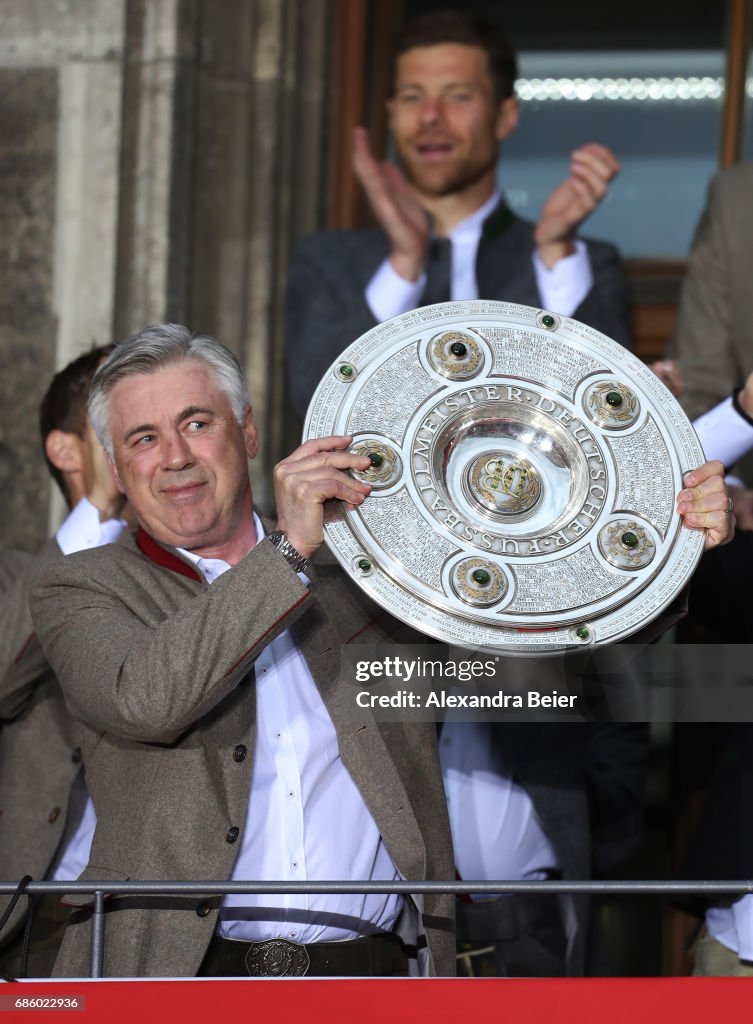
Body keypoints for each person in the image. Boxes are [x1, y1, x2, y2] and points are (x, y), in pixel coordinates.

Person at [30, 323, 455, 979]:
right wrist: (286, 554)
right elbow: (143, 701)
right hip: (173, 980)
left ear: (248, 433)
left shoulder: (371, 575)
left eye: (196, 423)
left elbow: (549, 676)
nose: (174, 456)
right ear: (116, 470)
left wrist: (659, 558)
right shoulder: (79, 586)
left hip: (371, 975)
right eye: (143, 439)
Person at [285, 9, 629, 420]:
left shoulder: (575, 260)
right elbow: (315, 409)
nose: (431, 116)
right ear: (392, 116)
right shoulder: (327, 261)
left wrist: (556, 250)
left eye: (457, 96)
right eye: (413, 96)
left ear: (505, 117)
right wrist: (403, 267)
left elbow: (611, 415)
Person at [0, 345, 128, 979]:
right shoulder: (14, 576)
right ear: (67, 450)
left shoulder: (207, 572)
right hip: (35, 914)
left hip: (166, 917)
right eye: (121, 422)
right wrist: (100, 509)